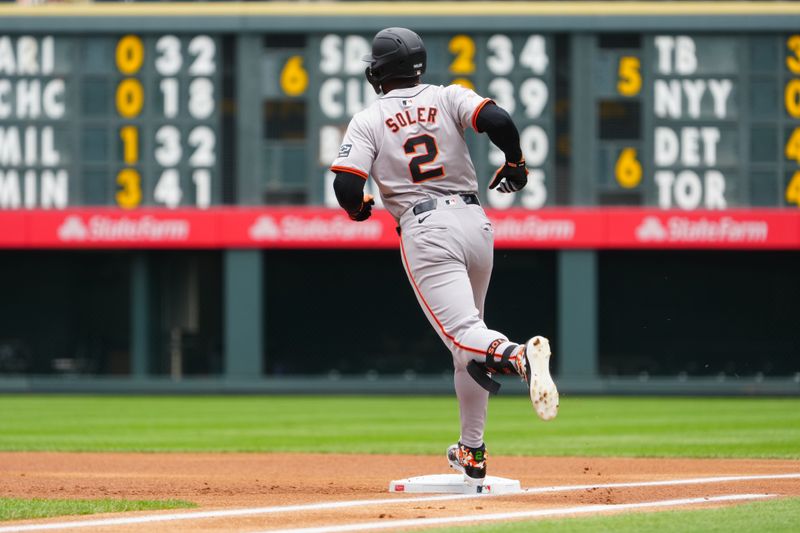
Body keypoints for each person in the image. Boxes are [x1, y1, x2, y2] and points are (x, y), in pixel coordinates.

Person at [330, 27, 558, 486]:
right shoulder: (450, 95)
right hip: (476, 225)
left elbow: (347, 186)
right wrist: (514, 163)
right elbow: (498, 120)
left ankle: (518, 357)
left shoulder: (368, 120)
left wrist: (358, 209)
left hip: (427, 229)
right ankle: (471, 451)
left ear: (377, 72)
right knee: (466, 350)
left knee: (466, 335)